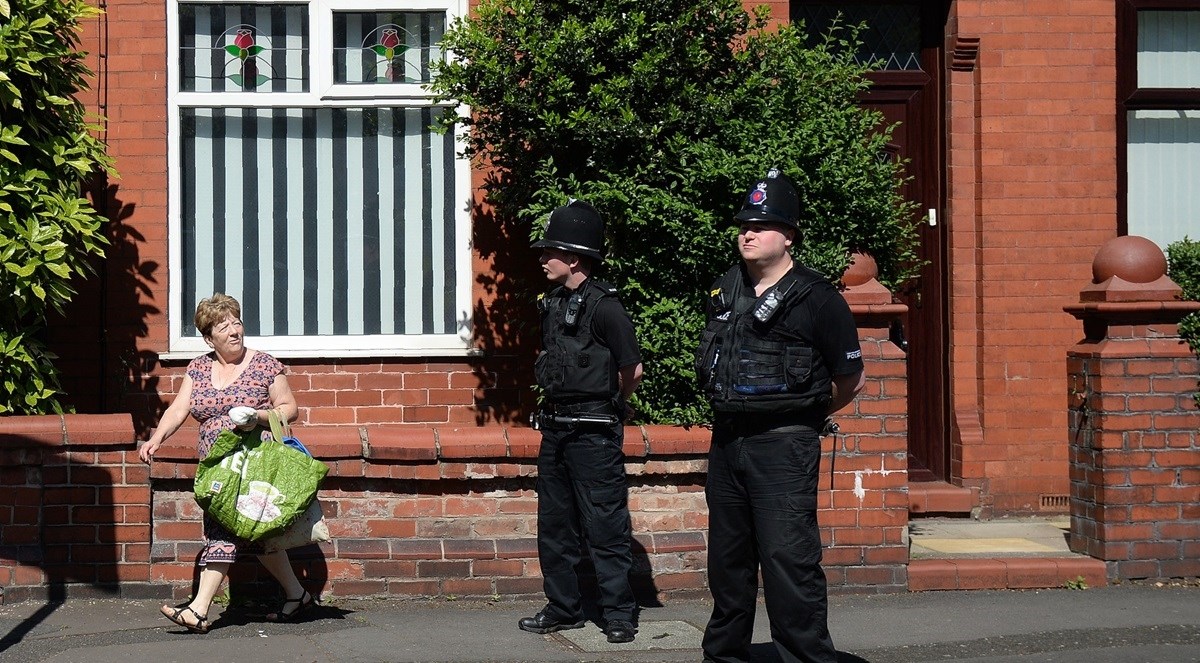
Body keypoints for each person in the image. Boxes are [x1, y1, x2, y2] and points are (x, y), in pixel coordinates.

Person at [695, 169, 866, 663]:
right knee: (728, 565)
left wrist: (806, 413)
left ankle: (807, 657)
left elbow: (849, 379)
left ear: (788, 235)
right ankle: (724, 656)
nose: (748, 232)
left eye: (762, 224)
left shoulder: (817, 297)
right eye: (744, 224)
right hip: (728, 443)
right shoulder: (724, 289)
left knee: (788, 561)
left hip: (784, 445)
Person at [138, 293, 314, 633]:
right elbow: (179, 409)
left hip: (253, 466)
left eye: (236, 322)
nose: (234, 330)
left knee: (225, 530)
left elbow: (289, 408)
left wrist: (258, 416)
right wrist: (156, 438)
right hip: (216, 468)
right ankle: (297, 595)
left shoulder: (264, 364)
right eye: (223, 326)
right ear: (208, 338)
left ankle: (198, 610)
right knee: (257, 535)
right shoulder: (199, 367)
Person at [518, 200, 644, 645]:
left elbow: (633, 370)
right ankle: (564, 608)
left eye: (549, 250)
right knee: (554, 525)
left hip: (593, 434)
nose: (541, 258)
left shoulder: (607, 307)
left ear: (573, 257)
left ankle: (619, 614)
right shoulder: (552, 304)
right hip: (555, 430)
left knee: (605, 525)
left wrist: (617, 404)